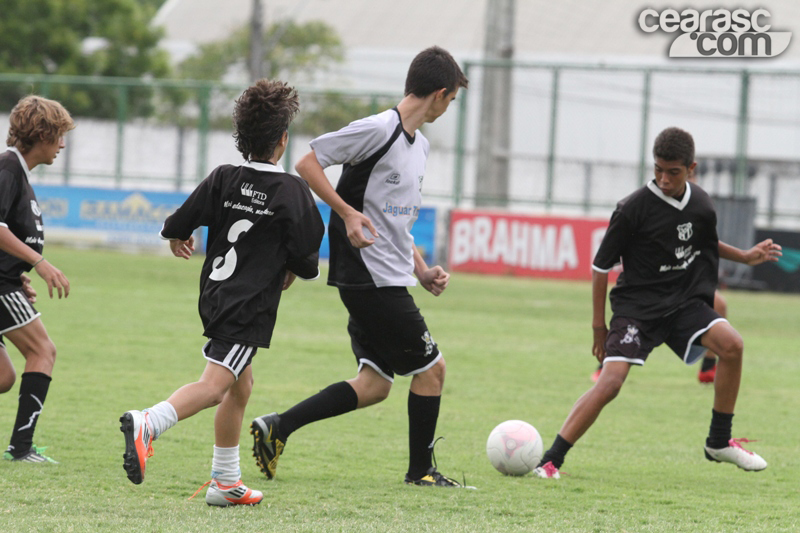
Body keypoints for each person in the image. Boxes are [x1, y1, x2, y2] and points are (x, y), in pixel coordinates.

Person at [251, 46, 471, 488]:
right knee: (433, 371)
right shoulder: (378, 129)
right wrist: (347, 212)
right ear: (441, 93)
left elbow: (396, 222)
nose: (449, 108)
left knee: (375, 383)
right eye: (452, 99)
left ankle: (279, 427)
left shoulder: (419, 145)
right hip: (369, 276)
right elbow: (307, 161)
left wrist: (423, 270)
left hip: (388, 273)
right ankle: (421, 472)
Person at [119, 80, 324, 506]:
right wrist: (289, 267)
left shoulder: (224, 178)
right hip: (248, 307)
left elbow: (176, 223)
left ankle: (225, 481)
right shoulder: (291, 192)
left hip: (215, 297)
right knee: (215, 385)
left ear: (240, 137)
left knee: (240, 384)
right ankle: (148, 422)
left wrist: (177, 237)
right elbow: (306, 261)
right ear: (283, 140)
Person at [535, 127, 782, 479]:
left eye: (673, 173)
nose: (664, 180)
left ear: (691, 168)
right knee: (611, 383)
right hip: (637, 309)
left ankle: (719, 441)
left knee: (733, 345)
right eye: (658, 170)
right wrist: (598, 327)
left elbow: (707, 242)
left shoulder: (701, 203)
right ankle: (550, 459)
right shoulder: (632, 208)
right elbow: (600, 267)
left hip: (683, 302)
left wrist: (744, 256)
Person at [1, 95, 73, 464]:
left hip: (7, 282)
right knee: (43, 350)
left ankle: (21, 447)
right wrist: (39, 264)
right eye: (59, 134)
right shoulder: (8, 167)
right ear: (42, 133)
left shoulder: (19, 174)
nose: (62, 144)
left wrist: (19, 271)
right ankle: (22, 448)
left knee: (4, 378)